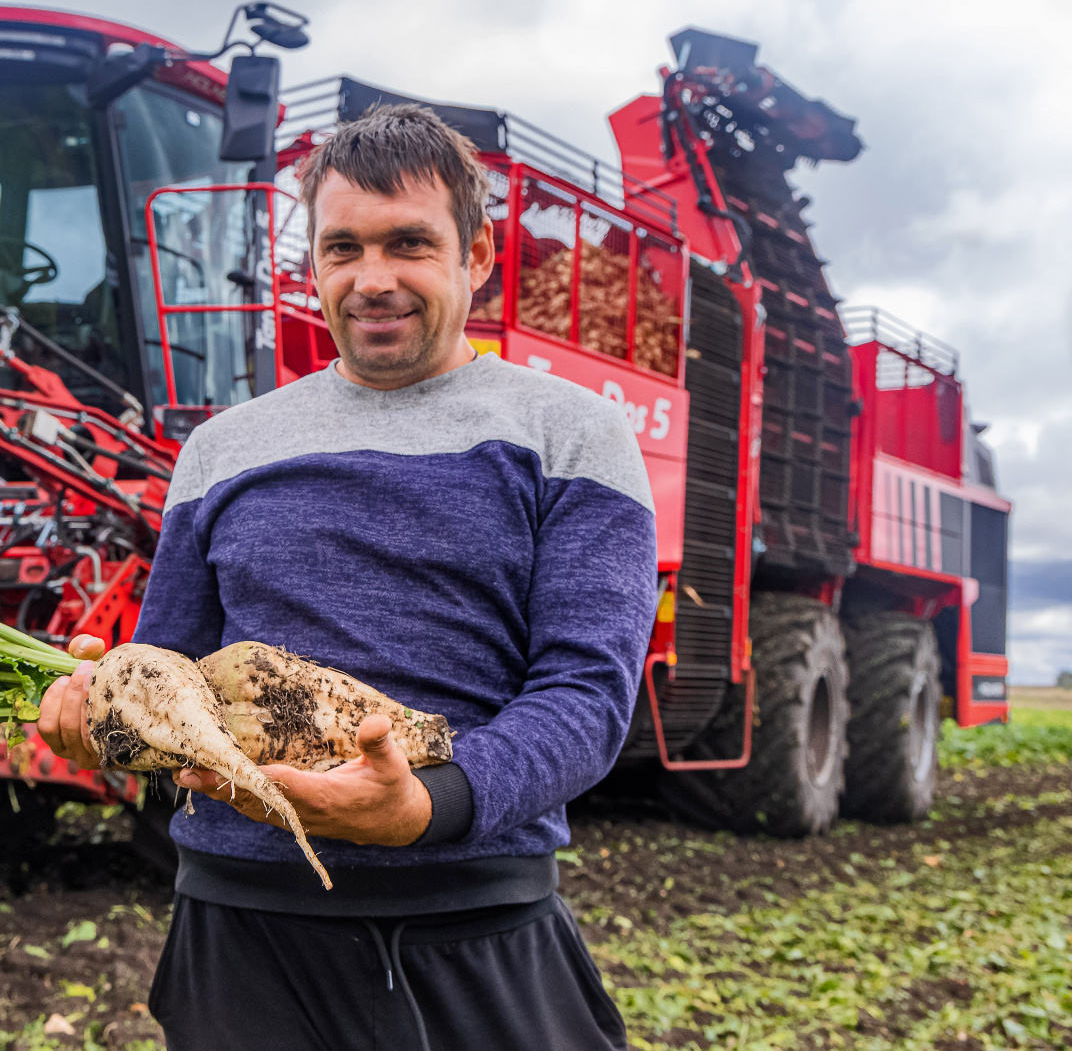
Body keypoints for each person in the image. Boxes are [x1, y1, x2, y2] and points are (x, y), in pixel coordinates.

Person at [41, 103, 656, 1050]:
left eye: (409, 244)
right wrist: (105, 713)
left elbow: (585, 697)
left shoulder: (568, 434)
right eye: (343, 250)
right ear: (313, 265)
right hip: (242, 936)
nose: (373, 281)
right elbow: (171, 668)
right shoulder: (222, 450)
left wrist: (427, 807)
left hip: (472, 923)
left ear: (476, 255)